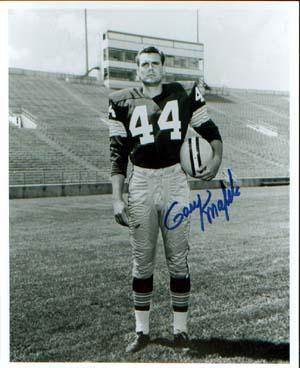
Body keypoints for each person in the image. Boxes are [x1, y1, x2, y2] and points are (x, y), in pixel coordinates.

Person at [108, 46, 223, 353]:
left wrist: (215, 160)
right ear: (137, 69)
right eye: (144, 64)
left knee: (177, 260)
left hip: (174, 179)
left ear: (162, 67)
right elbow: (117, 155)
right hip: (142, 182)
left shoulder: (183, 93)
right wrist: (117, 198)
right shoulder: (121, 101)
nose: (150, 68)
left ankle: (181, 332)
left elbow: (210, 130)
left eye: (155, 63)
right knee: (142, 262)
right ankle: (142, 331)